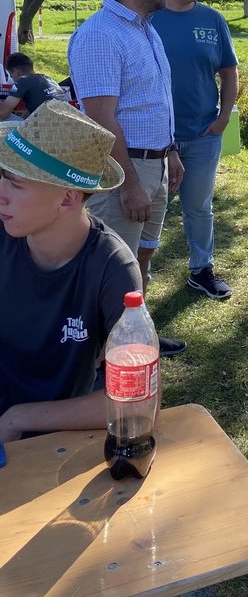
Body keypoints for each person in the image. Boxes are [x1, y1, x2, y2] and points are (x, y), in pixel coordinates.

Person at [68, 0, 186, 357]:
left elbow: (154, 101)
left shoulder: (144, 29)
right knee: (112, 267)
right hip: (125, 169)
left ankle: (136, 337)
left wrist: (171, 152)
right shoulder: (100, 35)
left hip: (154, 163)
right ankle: (102, 360)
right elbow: (103, 119)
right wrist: (130, 185)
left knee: (141, 259)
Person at [0, 99, 143, 441]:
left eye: (16, 184)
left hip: (55, 442)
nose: (1, 194)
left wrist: (16, 418)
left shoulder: (113, 268)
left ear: (67, 199)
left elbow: (135, 398)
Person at [151, 0, 238, 297]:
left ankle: (201, 269)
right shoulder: (150, 19)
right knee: (152, 208)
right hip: (157, 137)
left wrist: (223, 117)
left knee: (199, 207)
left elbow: (229, 72)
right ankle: (137, 275)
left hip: (204, 134)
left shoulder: (213, 20)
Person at [0, 52, 65, 120]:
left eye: (11, 76)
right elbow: (35, 108)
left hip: (46, 123)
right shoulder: (48, 79)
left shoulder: (23, 80)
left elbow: (3, 114)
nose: (12, 79)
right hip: (64, 120)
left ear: (15, 72)